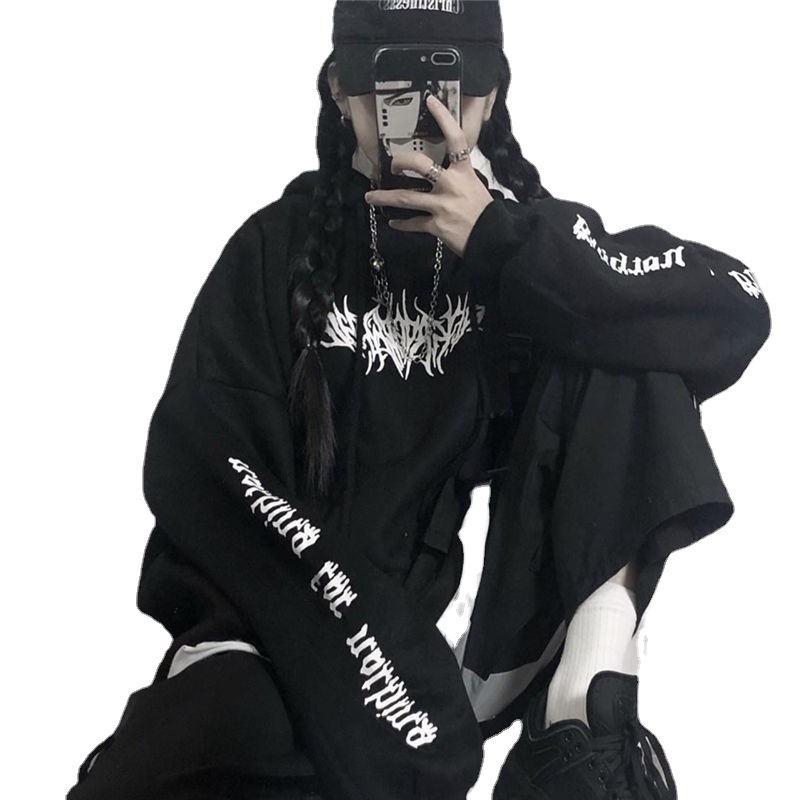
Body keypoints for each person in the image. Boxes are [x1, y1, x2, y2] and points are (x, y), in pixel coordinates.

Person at [65, 2, 770, 799]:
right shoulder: (272, 249)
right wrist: (387, 672)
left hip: (449, 673)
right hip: (282, 631)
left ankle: (583, 710)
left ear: (490, 98)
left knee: (622, 331)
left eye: (448, 86)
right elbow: (208, 470)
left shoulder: (526, 250)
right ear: (341, 90)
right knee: (240, 720)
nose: (422, 116)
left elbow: (730, 305)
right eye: (391, 85)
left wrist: (505, 245)